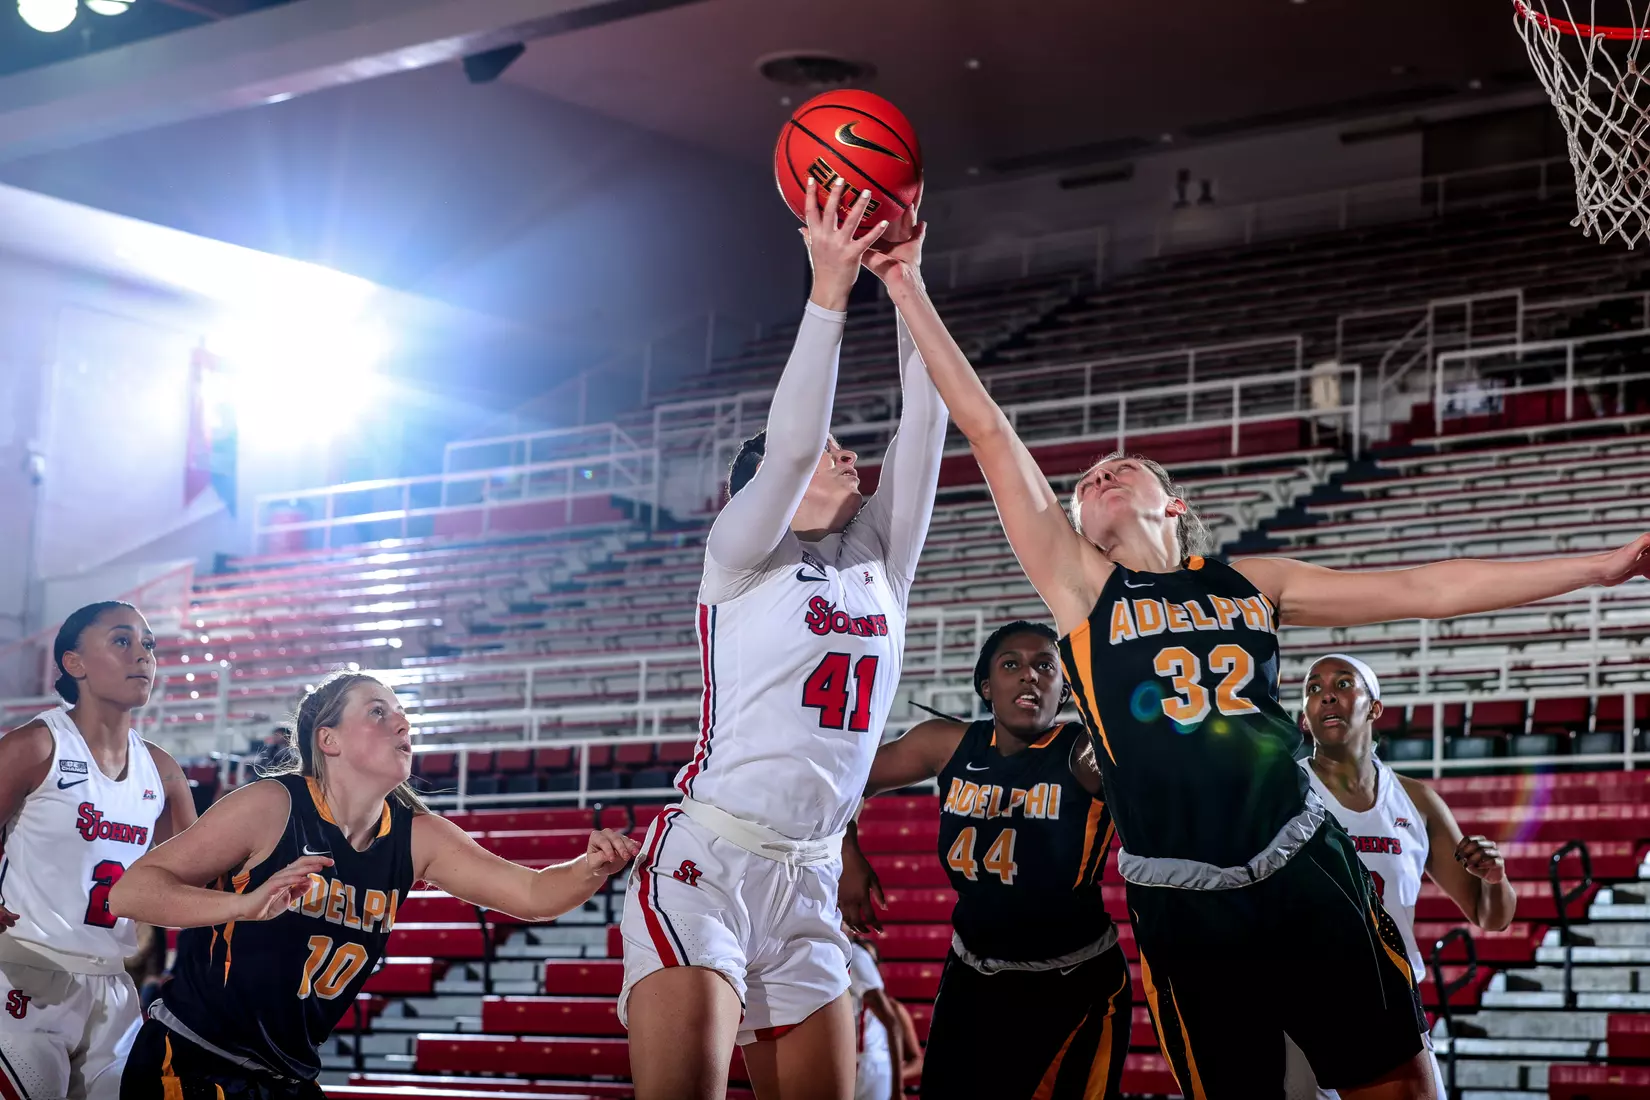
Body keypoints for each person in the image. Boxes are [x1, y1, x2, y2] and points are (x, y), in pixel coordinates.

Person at [878, 252, 1650, 1099]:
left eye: (1123, 467)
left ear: (1173, 504)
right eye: (1083, 484)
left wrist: (1600, 568)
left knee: (1401, 1087)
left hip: (1297, 856)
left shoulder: (1253, 581)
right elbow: (989, 430)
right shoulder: (1083, 590)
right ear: (1078, 530)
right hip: (1181, 895)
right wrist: (907, 283)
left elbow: (1427, 587)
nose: (1097, 472)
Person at [618, 176, 948, 1100]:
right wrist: (829, 287)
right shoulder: (740, 553)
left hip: (808, 878)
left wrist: (909, 283)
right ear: (761, 482)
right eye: (826, 448)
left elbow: (928, 417)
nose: (848, 453)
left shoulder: (883, 559)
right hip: (708, 863)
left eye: (849, 447)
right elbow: (796, 443)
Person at [107, 670, 638, 1099]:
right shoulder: (273, 804)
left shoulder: (416, 835)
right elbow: (130, 891)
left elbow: (533, 895)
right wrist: (244, 904)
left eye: (401, 713)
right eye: (378, 712)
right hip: (193, 1062)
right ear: (328, 740)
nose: (400, 722)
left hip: (288, 1079)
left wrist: (589, 867)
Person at [840, 621, 1128, 1100]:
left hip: (1071, 985)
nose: (1029, 676)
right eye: (1011, 664)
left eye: (1045, 666)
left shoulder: (1085, 752)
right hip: (972, 976)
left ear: (1065, 690)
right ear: (986, 686)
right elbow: (843, 781)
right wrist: (848, 854)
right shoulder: (946, 743)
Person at [1285, 654, 1516, 1100]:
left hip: (1389, 1000)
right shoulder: (1281, 790)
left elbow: (1492, 917)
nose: (1326, 694)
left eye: (1343, 683)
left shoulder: (1417, 800)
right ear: (1304, 721)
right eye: (1313, 689)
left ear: (1374, 708)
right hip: (1300, 1000)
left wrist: (1494, 877)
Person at [0, 601, 197, 1100]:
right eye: (122, 640)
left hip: (114, 986)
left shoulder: (162, 770)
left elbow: (198, 880)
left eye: (149, 644)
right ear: (74, 663)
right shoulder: (36, 746)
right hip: (22, 976)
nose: (143, 656)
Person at [846, 935, 904, 1100]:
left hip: (866, 1064)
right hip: (857, 1062)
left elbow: (892, 1023)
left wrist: (897, 1089)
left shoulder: (855, 956)